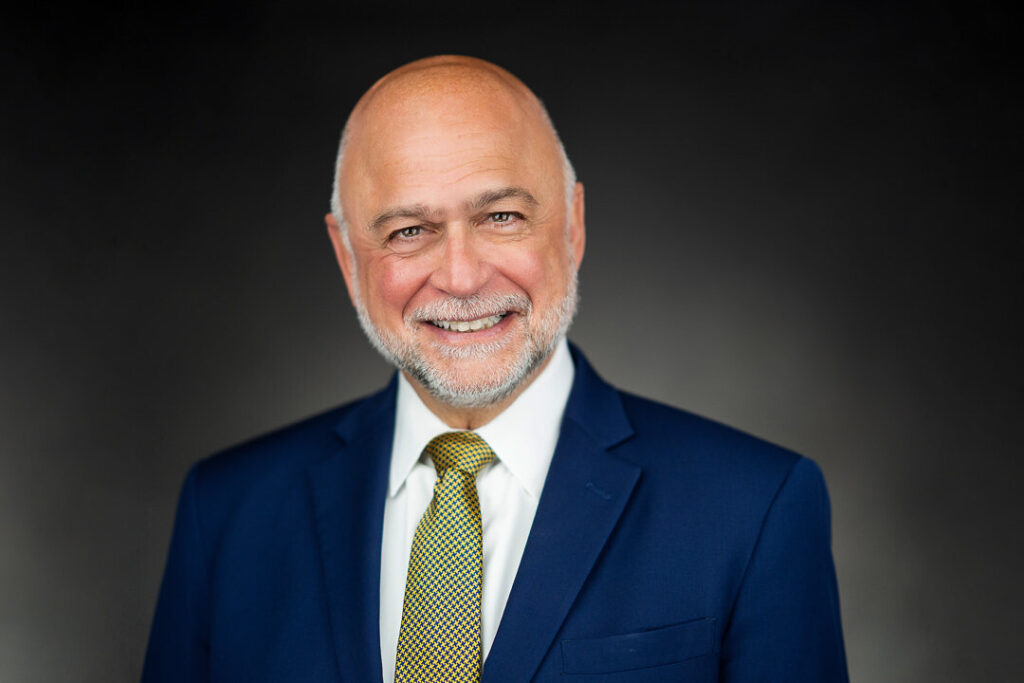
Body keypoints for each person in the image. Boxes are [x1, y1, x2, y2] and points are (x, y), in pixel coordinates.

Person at [142, 55, 848, 682]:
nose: (460, 274)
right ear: (347, 256)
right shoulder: (227, 513)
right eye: (408, 231)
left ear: (572, 224)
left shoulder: (753, 508)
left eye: (502, 216)